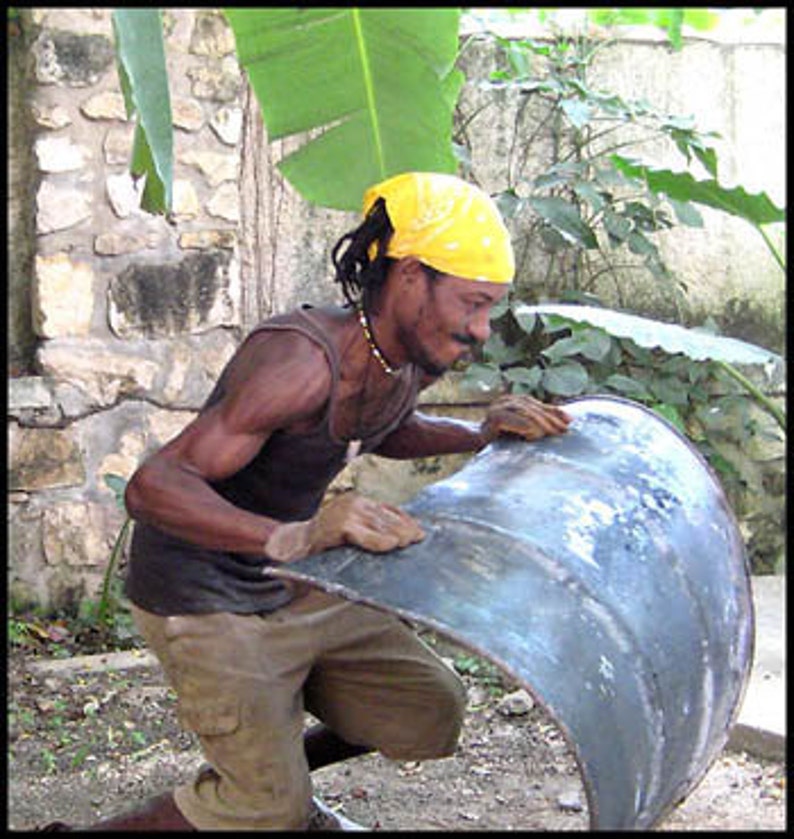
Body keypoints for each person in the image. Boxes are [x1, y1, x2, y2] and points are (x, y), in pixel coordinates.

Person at [42, 172, 572, 831]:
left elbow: (383, 427)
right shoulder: (299, 363)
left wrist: (479, 432)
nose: (482, 329)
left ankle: (265, 771)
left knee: (429, 708)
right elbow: (153, 486)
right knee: (266, 810)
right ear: (410, 278)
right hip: (201, 592)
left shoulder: (402, 358)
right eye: (471, 303)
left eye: (489, 307)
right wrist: (294, 537)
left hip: (287, 579)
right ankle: (250, 793)